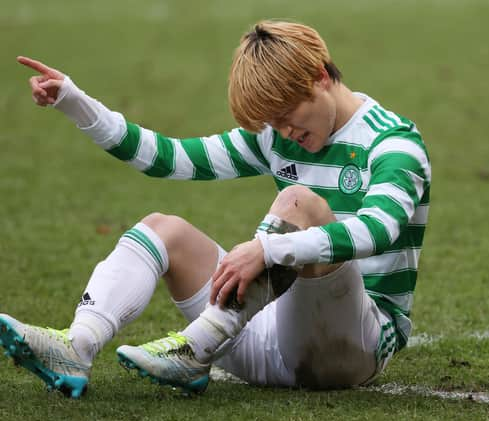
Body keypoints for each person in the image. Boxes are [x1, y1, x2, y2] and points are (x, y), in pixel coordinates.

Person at [0, 20, 431, 399]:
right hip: (271, 337)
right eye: (273, 122)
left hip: (352, 348)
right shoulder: (277, 136)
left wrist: (266, 250)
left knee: (299, 201)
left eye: (287, 115)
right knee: (162, 230)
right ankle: (78, 346)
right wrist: (74, 101)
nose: (284, 131)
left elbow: (377, 230)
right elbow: (169, 158)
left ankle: (197, 345)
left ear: (319, 76)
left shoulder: (392, 143)